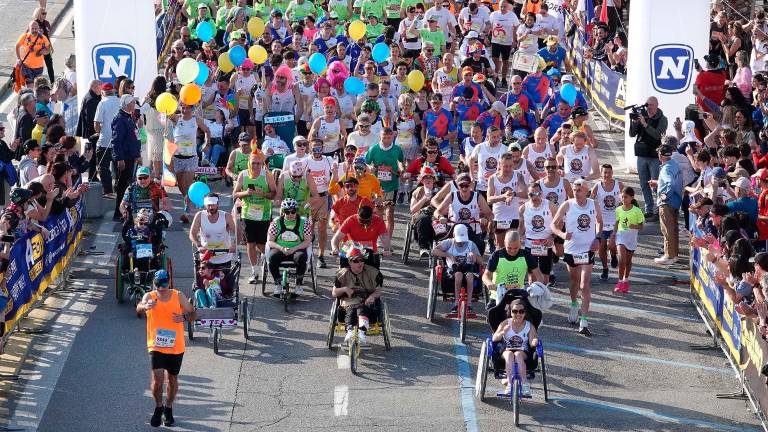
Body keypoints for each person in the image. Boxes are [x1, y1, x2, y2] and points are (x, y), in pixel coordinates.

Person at [136, 269, 196, 428]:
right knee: (157, 380)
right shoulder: (150, 296)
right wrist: (145, 306)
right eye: (157, 285)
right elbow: (138, 309)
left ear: (168, 282)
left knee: (173, 380)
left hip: (175, 346)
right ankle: (158, 407)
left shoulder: (178, 296)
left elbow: (193, 314)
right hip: (156, 345)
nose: (161, 289)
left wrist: (183, 317)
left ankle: (168, 408)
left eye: (163, 285)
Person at [550, 178, 602, 336]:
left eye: (579, 189)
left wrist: (597, 238)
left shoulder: (593, 204)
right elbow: (553, 224)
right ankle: (573, 304)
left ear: (586, 190)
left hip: (588, 249)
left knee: (584, 284)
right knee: (574, 281)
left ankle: (584, 320)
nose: (576, 192)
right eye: (574, 189)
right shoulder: (567, 204)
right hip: (572, 249)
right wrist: (562, 234)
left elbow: (600, 222)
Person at [233, 151, 277, 283]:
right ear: (249, 163)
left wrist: (263, 194)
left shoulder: (266, 175)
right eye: (253, 163)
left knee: (261, 245)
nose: (256, 166)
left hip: (263, 215)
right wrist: (246, 192)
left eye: (259, 163)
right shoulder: (243, 174)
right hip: (248, 215)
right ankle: (254, 271)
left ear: (262, 164)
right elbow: (235, 194)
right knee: (251, 244)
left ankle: (268, 258)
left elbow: (273, 194)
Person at [166, 103, 211, 223]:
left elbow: (207, 131)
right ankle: (189, 202)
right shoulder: (177, 118)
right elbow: (167, 111)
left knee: (188, 183)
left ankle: (187, 210)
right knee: (182, 187)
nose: (184, 110)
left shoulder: (196, 119)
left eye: (187, 107)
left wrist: (206, 143)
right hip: (178, 157)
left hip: (191, 157)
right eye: (183, 107)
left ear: (192, 108)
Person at [332, 246, 384, 344]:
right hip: (348, 302)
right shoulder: (342, 274)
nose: (360, 263)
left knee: (362, 309)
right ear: (350, 262)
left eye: (362, 260)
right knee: (351, 310)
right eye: (356, 261)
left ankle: (362, 332)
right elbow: (334, 293)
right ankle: (350, 331)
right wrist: (344, 289)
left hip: (366, 301)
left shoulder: (373, 273)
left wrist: (372, 296)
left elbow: (378, 291)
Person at [629, 96, 668, 219]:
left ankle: (659, 210)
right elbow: (632, 134)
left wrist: (645, 125)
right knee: (644, 184)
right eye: (647, 104)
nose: (648, 107)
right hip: (641, 154)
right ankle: (648, 209)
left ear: (657, 105)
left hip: (654, 156)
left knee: (656, 183)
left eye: (651, 105)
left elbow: (657, 135)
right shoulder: (642, 116)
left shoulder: (662, 119)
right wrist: (635, 123)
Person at [483, 230, 544, 308]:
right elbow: (485, 276)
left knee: (532, 315)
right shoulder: (497, 255)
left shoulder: (526, 255)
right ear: (504, 243)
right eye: (509, 248)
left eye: (516, 248)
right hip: (498, 295)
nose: (512, 251)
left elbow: (539, 275)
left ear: (520, 243)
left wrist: (537, 287)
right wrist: (489, 283)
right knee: (493, 316)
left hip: (518, 295)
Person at [431, 224, 483, 313]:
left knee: (470, 276)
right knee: (458, 275)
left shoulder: (471, 244)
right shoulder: (448, 242)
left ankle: (469, 304)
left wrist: (474, 256)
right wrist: (448, 255)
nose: (461, 242)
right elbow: (434, 251)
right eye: (459, 240)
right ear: (454, 235)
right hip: (452, 269)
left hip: (468, 268)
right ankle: (456, 302)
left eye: (463, 240)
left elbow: (481, 261)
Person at [266, 198, 313, 295]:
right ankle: (277, 283)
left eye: (293, 211)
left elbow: (307, 241)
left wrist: (294, 249)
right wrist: (282, 248)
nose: (290, 214)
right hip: (280, 248)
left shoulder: (304, 222)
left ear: (296, 210)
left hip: (297, 248)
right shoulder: (276, 222)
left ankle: (299, 284)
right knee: (272, 257)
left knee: (301, 258)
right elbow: (270, 241)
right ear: (283, 212)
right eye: (287, 212)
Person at [492, 298, 538, 397]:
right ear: (511, 312)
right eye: (515, 311)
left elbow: (531, 342)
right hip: (506, 349)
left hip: (522, 350)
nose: (518, 314)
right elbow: (494, 338)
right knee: (509, 355)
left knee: (517, 354)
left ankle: (525, 385)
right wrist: (503, 332)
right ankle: (509, 384)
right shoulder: (505, 323)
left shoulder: (529, 326)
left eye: (521, 311)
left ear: (525, 313)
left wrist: (534, 341)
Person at [365, 128, 405, 239]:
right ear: (380, 136)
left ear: (392, 137)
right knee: (378, 213)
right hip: (377, 187)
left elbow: (401, 161)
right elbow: (366, 163)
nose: (386, 140)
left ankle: (388, 240)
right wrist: (371, 168)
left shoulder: (397, 149)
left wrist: (402, 170)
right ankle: (379, 238)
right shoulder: (374, 149)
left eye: (389, 137)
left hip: (392, 186)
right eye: (384, 138)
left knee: (390, 213)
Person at [648, 143, 683, 265]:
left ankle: (669, 256)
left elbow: (670, 184)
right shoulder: (674, 165)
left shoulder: (666, 168)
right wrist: (658, 183)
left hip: (667, 203)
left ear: (660, 155)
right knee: (673, 229)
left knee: (667, 230)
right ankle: (674, 255)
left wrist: (664, 196)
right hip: (676, 201)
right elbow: (671, 182)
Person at [111, 95, 143, 221]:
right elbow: (116, 140)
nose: (134, 103)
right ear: (126, 104)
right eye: (132, 102)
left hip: (130, 157)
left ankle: (125, 210)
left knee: (128, 185)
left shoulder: (128, 116)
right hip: (124, 158)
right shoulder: (120, 119)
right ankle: (119, 212)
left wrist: (137, 155)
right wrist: (119, 158)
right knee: (123, 186)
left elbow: (134, 137)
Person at [487, 152, 528, 249]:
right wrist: (503, 196)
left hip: (513, 216)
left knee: (512, 245)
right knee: (501, 247)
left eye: (511, 166)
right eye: (505, 166)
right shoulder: (493, 178)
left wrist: (514, 194)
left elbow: (526, 193)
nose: (508, 169)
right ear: (500, 165)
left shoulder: (517, 176)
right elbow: (489, 199)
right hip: (499, 216)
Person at [518, 182, 556, 285]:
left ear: (542, 194)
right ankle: (532, 299)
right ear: (528, 195)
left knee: (545, 276)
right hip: (530, 244)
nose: (535, 197)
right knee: (532, 277)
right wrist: (516, 239)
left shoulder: (550, 205)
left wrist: (552, 237)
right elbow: (521, 229)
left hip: (545, 243)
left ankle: (544, 299)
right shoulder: (523, 208)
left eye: (537, 194)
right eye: (531, 194)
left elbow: (559, 222)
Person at [189, 192, 237, 270]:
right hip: (206, 257)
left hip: (224, 257)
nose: (211, 207)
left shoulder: (226, 216)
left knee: (223, 281)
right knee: (204, 282)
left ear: (218, 204)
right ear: (205, 205)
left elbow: (239, 233)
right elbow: (192, 233)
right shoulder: (199, 216)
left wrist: (234, 245)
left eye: (213, 204)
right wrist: (198, 245)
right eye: (209, 205)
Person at [591, 163, 622, 280]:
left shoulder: (619, 185)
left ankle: (613, 254)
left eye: (609, 172)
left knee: (612, 245)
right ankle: (605, 269)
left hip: (615, 221)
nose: (607, 175)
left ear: (612, 173)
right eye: (604, 172)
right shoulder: (597, 187)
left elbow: (626, 201)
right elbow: (590, 202)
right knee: (602, 246)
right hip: (602, 221)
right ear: (601, 173)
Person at [612, 187, 644, 293]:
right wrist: (614, 233)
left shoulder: (637, 211)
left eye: (626, 197)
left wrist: (634, 226)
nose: (623, 199)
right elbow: (617, 222)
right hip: (621, 236)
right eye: (622, 197)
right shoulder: (618, 209)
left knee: (628, 261)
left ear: (632, 197)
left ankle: (626, 280)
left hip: (632, 237)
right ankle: (619, 281)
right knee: (622, 259)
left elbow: (641, 226)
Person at [93, 83, 120, 198]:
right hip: (118, 140)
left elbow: (96, 123)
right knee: (118, 166)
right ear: (113, 91)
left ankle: (108, 191)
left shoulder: (102, 103)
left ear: (103, 92)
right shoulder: (119, 101)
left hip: (105, 140)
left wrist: (99, 132)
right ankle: (120, 190)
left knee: (103, 166)